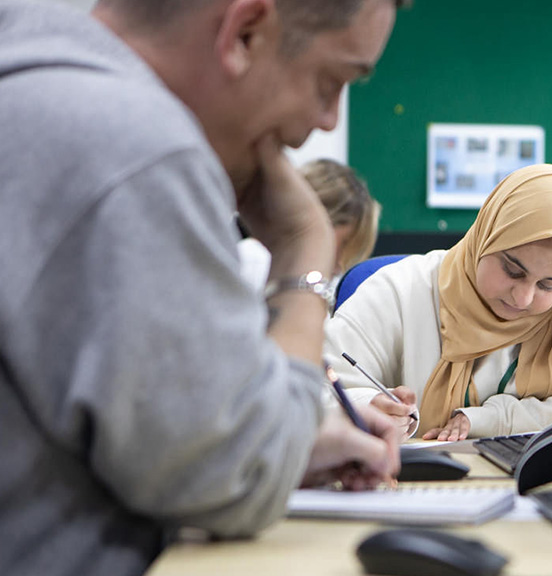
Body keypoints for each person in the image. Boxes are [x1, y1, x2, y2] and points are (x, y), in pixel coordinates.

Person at [0, 0, 407, 575]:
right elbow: (241, 478)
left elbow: (163, 444)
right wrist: (303, 256)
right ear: (244, 31)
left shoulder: (33, 83)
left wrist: (287, 443)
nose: (327, 121)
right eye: (331, 81)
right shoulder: (135, 147)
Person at [324, 163, 552, 441]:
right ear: (485, 237)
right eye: (512, 271)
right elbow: (310, 385)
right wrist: (366, 406)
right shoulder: (399, 289)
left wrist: (496, 420)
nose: (523, 297)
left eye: (548, 284)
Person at [239, 158, 381, 299]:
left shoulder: (331, 287)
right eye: (344, 244)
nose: (339, 266)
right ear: (322, 219)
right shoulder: (253, 261)